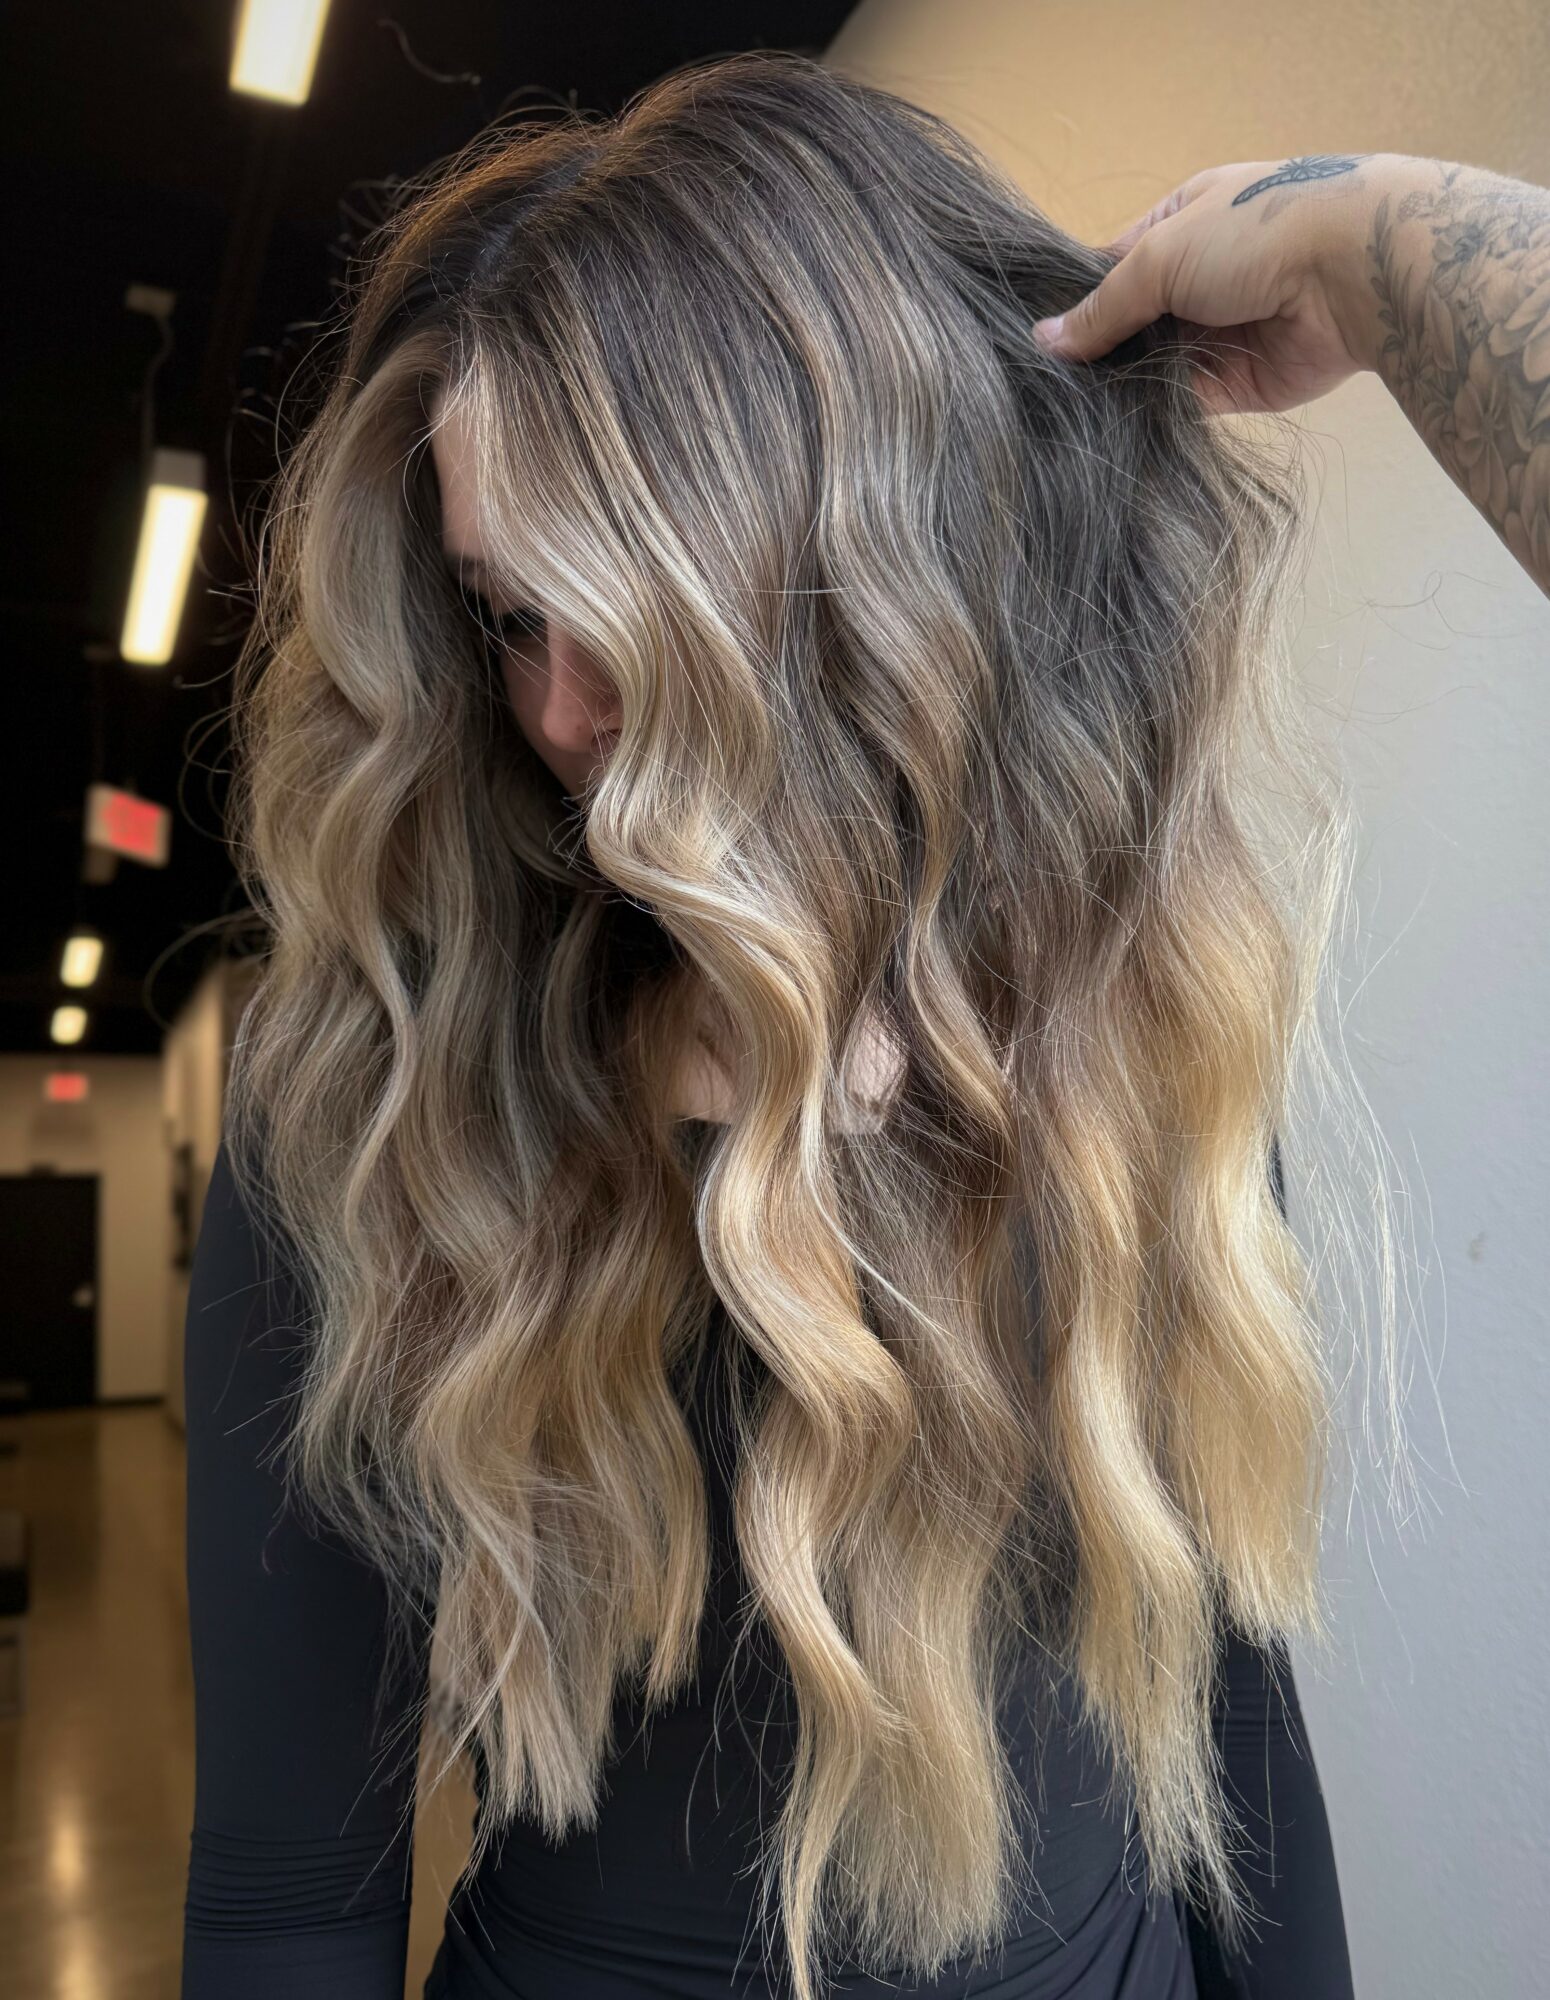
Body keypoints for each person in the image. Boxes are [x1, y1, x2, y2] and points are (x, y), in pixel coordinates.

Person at [179, 50, 1550, 2000]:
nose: (552, 711)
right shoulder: (378, 1102)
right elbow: (284, 1896)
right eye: (504, 615)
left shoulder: (1121, 1035)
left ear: (853, 577)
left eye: (617, 608)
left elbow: (1222, 1723)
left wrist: (1386, 243)